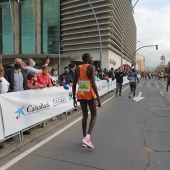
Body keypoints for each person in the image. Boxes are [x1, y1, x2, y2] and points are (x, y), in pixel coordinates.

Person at [72, 53, 101, 149]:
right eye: (92, 58)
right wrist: (98, 97)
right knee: (94, 115)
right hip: (90, 94)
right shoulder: (91, 67)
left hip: (81, 93)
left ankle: (84, 138)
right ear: (88, 59)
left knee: (85, 115)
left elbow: (74, 84)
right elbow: (93, 83)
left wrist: (74, 98)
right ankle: (87, 137)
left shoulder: (77, 68)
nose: (92, 59)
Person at [0, 64, 10, 149]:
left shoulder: (2, 80)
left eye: (1, 70)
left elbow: (4, 90)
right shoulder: (2, 80)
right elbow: (4, 90)